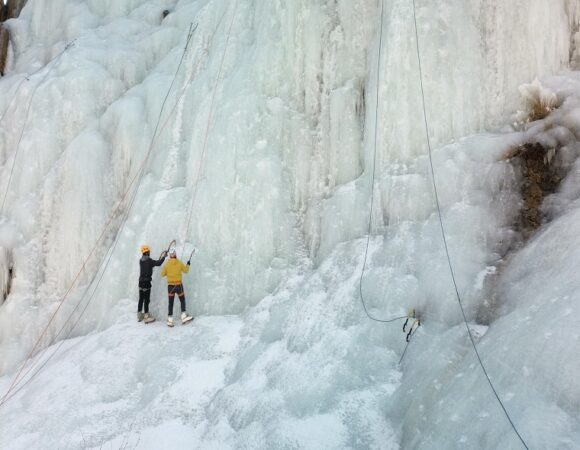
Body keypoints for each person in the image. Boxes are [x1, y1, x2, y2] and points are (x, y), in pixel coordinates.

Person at [161, 249, 193, 327]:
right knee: (182, 300)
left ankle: (170, 319)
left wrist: (167, 270)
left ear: (170, 256)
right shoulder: (179, 263)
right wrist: (188, 264)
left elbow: (162, 274)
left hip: (170, 287)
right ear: (175, 254)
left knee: (171, 303)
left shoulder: (167, 264)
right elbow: (186, 271)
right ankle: (184, 316)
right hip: (179, 286)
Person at [138, 244, 167, 323]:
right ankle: (146, 316)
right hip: (146, 283)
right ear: (147, 252)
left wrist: (159, 259)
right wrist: (164, 257)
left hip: (140, 283)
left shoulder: (141, 260)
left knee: (141, 299)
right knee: (146, 300)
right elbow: (158, 263)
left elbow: (153, 263)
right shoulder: (149, 261)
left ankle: (139, 315)